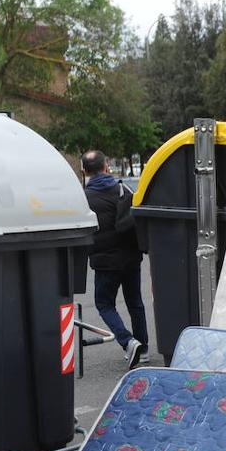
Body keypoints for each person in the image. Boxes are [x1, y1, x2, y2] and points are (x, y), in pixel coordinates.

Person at [82, 150, 148, 368]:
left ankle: (128, 341)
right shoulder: (123, 189)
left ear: (85, 171)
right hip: (131, 256)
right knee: (135, 302)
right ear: (106, 167)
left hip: (104, 261)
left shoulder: (84, 198)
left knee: (104, 303)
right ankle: (144, 348)